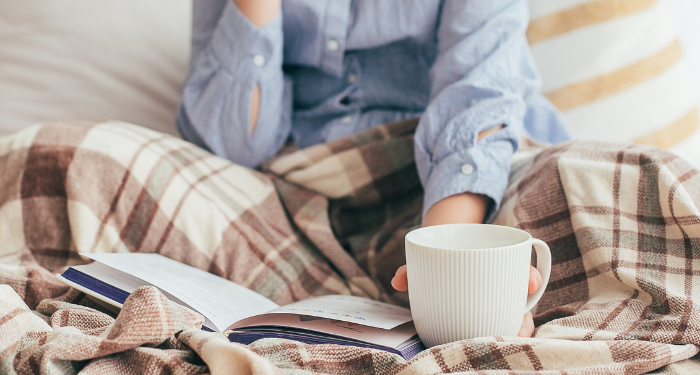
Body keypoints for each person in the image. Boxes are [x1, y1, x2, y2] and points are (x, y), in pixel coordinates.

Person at [176, 0, 574, 337]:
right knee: (115, 153)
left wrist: (447, 260)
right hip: (299, 187)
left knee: (584, 176)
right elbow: (232, 147)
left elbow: (479, 98)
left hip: (450, 179)